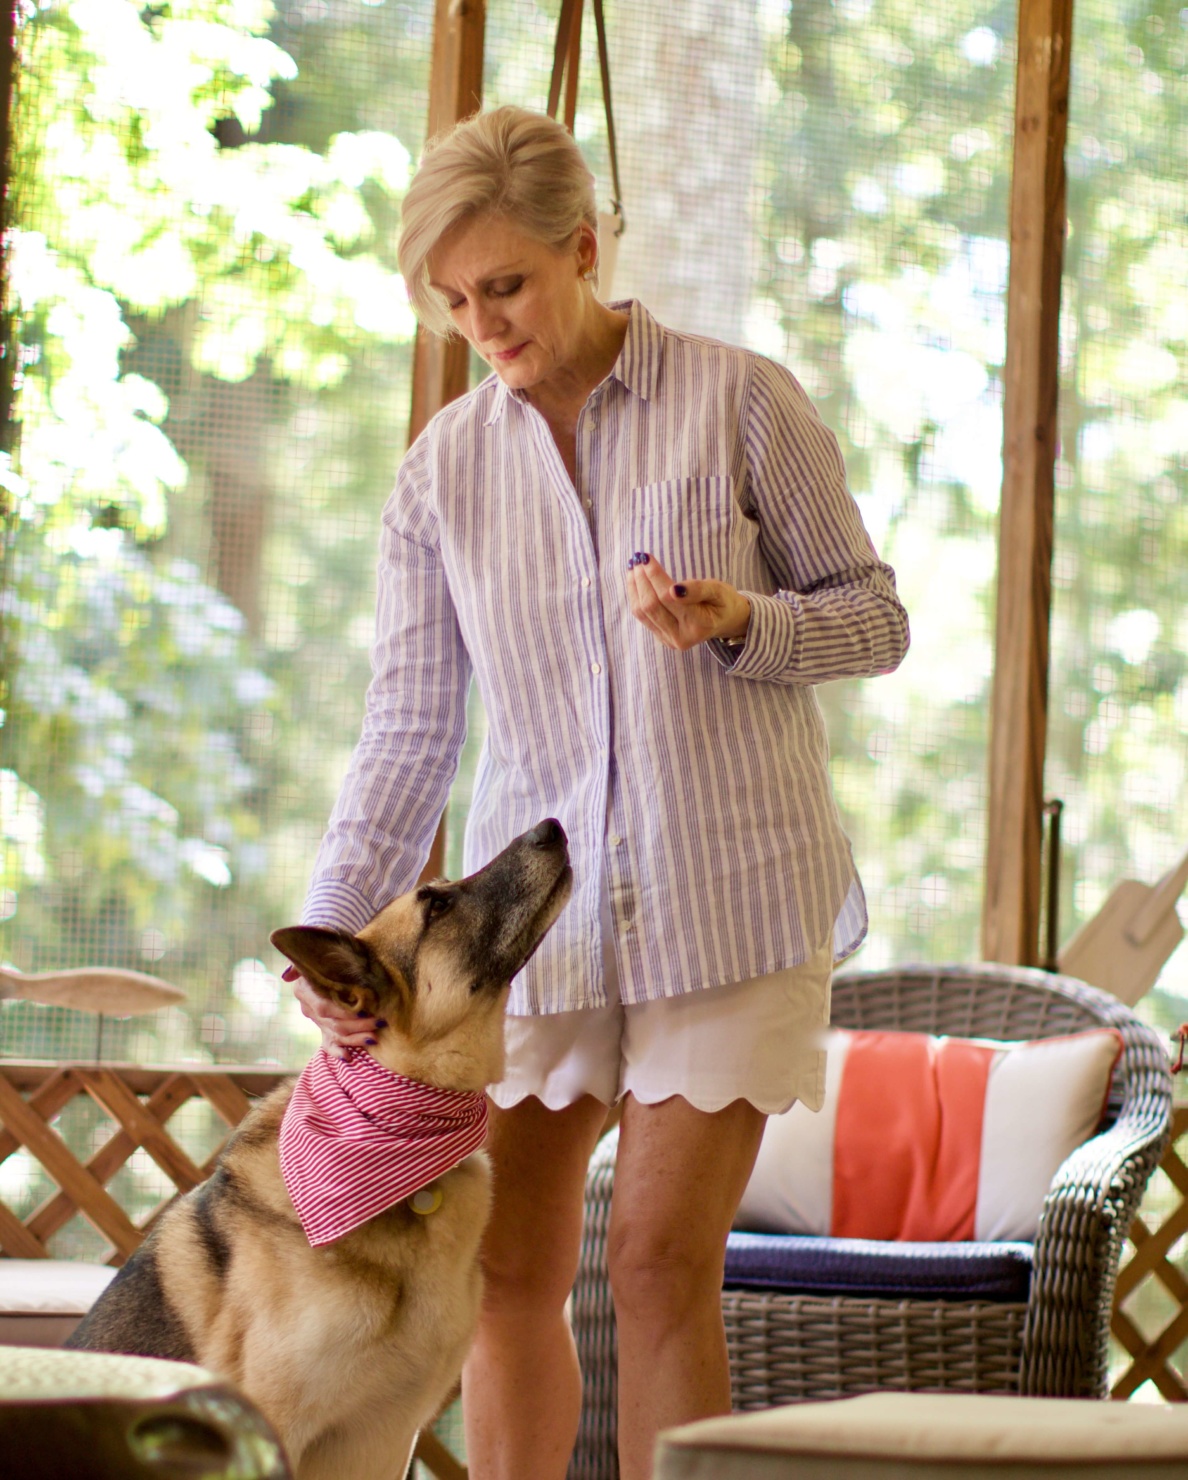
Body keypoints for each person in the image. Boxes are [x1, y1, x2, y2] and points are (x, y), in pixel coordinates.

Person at [290, 106, 909, 1480]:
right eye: (453, 301)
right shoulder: (442, 472)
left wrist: (745, 619)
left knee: (654, 1262)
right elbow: (408, 727)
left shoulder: (741, 398)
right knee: (505, 1272)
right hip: (540, 930)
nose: (483, 323)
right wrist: (339, 928)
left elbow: (876, 618)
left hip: (732, 902)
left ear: (583, 246)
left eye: (504, 285)